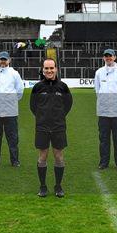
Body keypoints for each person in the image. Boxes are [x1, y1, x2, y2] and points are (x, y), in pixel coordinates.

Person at [30, 58, 73, 197]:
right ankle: (42, 187)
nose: (49, 71)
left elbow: (68, 105)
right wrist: (42, 118)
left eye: (51, 68)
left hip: (58, 127)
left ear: (56, 69)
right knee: (42, 156)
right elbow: (33, 106)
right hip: (42, 127)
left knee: (59, 157)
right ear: (43, 70)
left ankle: (58, 186)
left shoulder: (63, 87)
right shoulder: (37, 87)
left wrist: (58, 117)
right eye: (46, 68)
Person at [0, 51, 24, 167]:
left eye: (5, 59)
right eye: (1, 59)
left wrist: (10, 101)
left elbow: (20, 90)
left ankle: (15, 160)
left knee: (13, 138)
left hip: (11, 111)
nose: (3, 61)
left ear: (9, 60)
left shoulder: (14, 74)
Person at [94, 48, 117, 170]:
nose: (108, 58)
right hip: (103, 111)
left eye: (110, 56)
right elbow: (97, 90)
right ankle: (104, 162)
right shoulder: (99, 72)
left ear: (115, 57)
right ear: (103, 58)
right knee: (103, 139)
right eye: (106, 56)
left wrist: (116, 102)